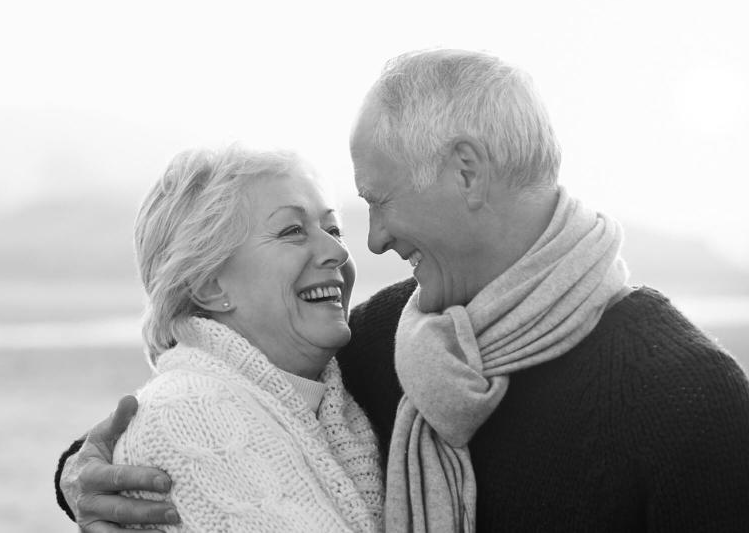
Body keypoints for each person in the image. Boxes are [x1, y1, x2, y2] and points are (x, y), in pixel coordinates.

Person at [56, 50, 749, 532]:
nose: (376, 240)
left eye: (378, 201)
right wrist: (82, 474)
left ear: (466, 173)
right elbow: (229, 400)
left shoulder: (689, 398)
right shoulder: (393, 337)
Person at [62, 144, 385, 532]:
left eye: (334, 229)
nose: (336, 251)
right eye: (293, 231)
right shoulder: (184, 414)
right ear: (209, 284)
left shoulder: (330, 401)